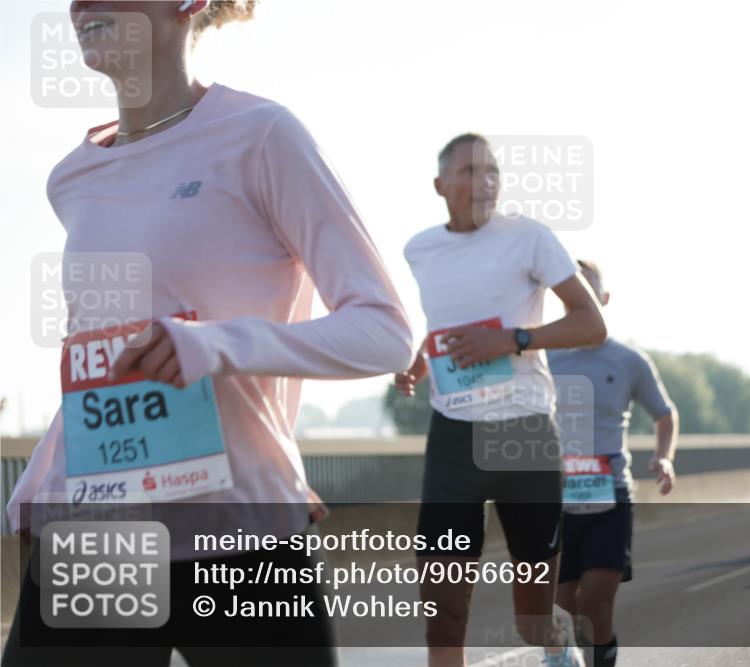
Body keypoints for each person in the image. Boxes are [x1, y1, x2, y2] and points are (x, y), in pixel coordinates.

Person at [3, 2, 412, 665]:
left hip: (237, 532)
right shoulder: (70, 178)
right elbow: (108, 356)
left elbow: (384, 331)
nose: (80, 4)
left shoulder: (263, 135)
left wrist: (218, 345)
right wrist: (45, 476)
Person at [395, 133, 606, 666]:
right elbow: (446, 322)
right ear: (440, 185)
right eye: (469, 171)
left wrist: (512, 339)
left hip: (525, 435)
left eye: (492, 171)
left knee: (531, 622)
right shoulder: (419, 249)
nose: (484, 181)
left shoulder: (529, 237)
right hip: (452, 438)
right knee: (443, 622)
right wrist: (421, 361)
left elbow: (592, 323)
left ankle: (558, 643)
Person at [548, 260, 678, 667]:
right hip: (555, 498)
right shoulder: (544, 357)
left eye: (589, 291)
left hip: (610, 494)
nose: (581, 299)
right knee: (561, 610)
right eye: (573, 293)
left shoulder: (628, 360)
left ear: (604, 299)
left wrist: (664, 457)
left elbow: (664, 414)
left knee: (596, 604)